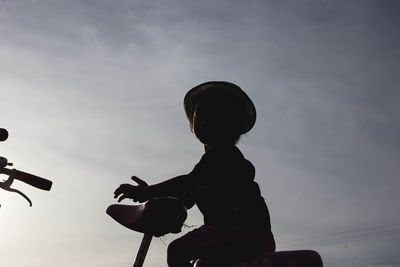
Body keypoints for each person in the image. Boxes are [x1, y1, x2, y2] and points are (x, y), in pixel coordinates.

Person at [114, 81, 275, 267]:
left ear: (232, 124)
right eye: (200, 114)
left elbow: (190, 181)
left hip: (240, 233)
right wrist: (161, 201)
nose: (204, 120)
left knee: (177, 251)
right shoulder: (209, 169)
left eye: (215, 115)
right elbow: (186, 197)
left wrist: (147, 192)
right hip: (245, 237)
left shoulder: (224, 155)